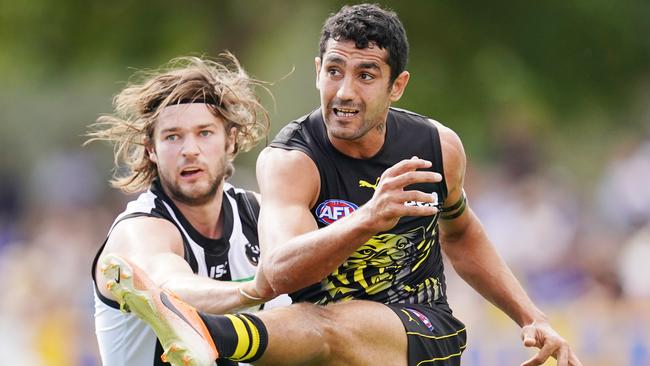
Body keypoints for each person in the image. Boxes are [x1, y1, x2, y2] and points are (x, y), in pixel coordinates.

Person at [102, 4, 583, 366]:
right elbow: (213, 281)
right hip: (318, 347)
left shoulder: (436, 147)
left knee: (325, 323)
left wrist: (530, 315)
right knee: (312, 323)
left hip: (416, 328)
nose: (346, 91)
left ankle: (211, 337)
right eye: (334, 71)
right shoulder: (151, 224)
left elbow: (461, 232)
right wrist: (369, 219)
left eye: (366, 75)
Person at [88, 54, 288, 366]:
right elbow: (168, 286)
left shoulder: (259, 214)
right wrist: (255, 290)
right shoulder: (138, 229)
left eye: (204, 133)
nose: (190, 150)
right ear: (151, 149)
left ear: (230, 140)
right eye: (172, 137)